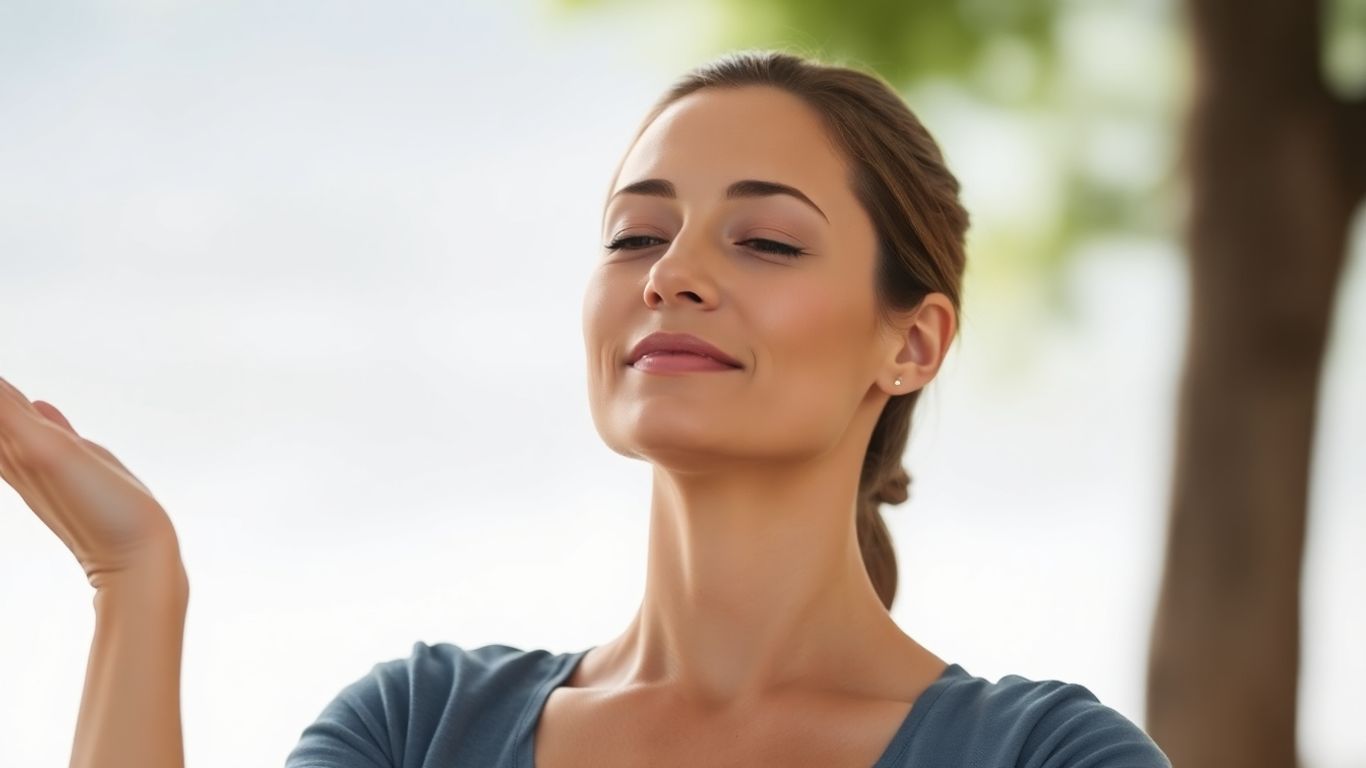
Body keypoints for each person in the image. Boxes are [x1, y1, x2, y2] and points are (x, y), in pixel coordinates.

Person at [0, 49, 1171, 768]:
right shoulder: (419, 728)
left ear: (910, 343)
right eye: (635, 235)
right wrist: (133, 581)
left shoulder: (1044, 757)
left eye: (765, 241)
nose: (672, 274)